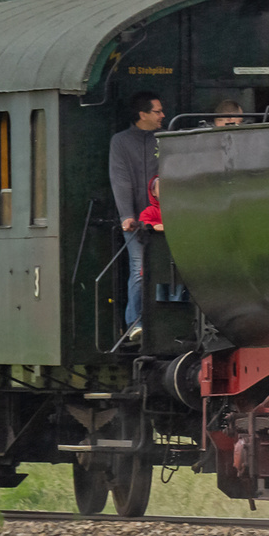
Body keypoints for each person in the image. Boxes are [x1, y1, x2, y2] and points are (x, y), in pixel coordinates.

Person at [108, 92, 163, 346]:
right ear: (142, 114)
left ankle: (159, 321)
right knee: (139, 271)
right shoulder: (120, 142)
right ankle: (135, 323)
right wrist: (127, 216)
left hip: (161, 217)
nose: (163, 116)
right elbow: (121, 180)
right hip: (138, 221)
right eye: (157, 111)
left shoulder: (162, 140)